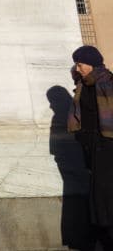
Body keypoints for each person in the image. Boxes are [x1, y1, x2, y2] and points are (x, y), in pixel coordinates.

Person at [68, 45, 113, 237]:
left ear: (92, 64)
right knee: (98, 191)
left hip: (109, 144)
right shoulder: (81, 86)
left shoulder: (109, 83)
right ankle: (103, 235)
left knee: (105, 190)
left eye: (80, 65)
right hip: (91, 145)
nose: (77, 69)